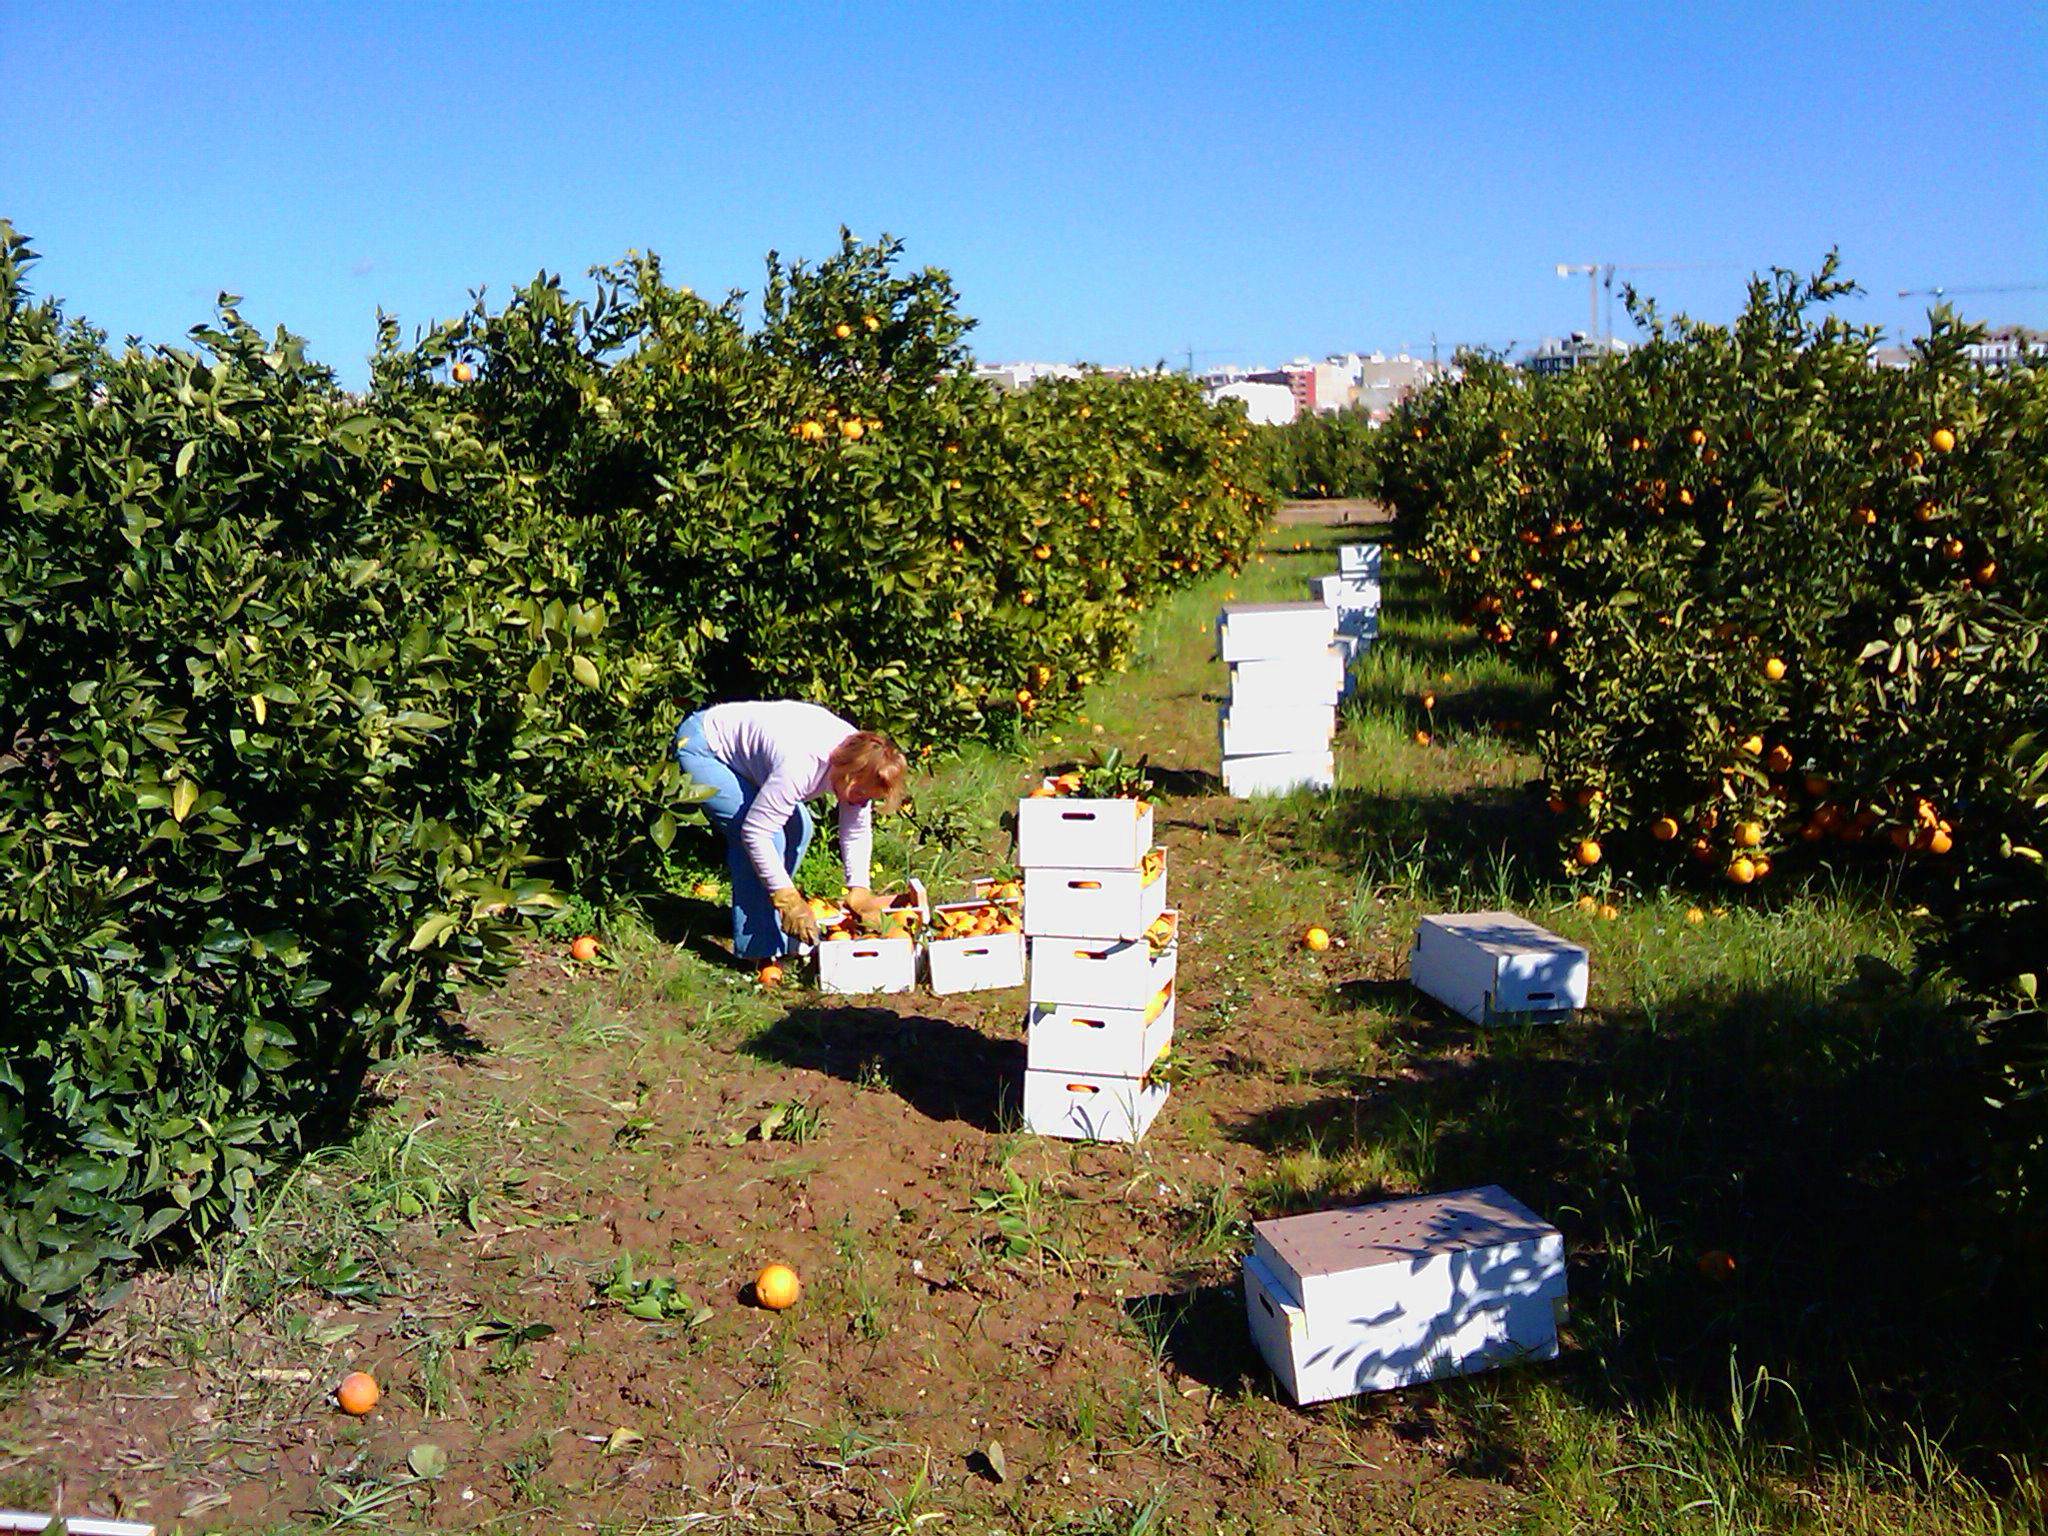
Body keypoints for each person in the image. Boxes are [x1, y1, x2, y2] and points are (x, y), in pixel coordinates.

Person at [672, 700, 908, 959]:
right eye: (861, 793)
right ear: (850, 774)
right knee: (767, 839)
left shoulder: (861, 762)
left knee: (799, 829)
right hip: (704, 747)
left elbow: (855, 832)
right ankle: (758, 952)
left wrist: (859, 888)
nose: (861, 802)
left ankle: (769, 923)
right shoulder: (802, 764)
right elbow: (756, 833)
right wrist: (787, 899)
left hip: (745, 758)